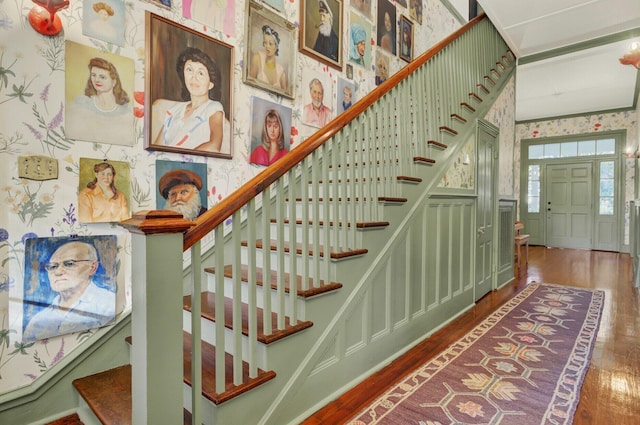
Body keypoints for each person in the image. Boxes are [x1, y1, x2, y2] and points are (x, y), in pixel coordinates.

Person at [23, 241, 116, 342]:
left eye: (69, 264)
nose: (58, 272)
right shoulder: (38, 320)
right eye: (53, 266)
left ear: (92, 267)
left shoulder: (109, 303)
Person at [154, 47, 225, 153]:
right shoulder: (175, 110)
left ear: (211, 84)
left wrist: (184, 158)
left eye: (200, 73)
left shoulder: (213, 108)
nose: (193, 77)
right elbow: (156, 147)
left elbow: (214, 145)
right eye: (189, 70)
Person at [66, 57, 133, 144]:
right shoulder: (82, 103)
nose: (96, 80)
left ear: (114, 82)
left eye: (102, 77)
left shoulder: (126, 110)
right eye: (93, 75)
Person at [249, 25, 287, 90]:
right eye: (265, 43)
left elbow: (286, 97)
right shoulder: (257, 58)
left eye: (270, 43)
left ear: (276, 46)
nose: (267, 46)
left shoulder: (281, 72)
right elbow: (250, 85)